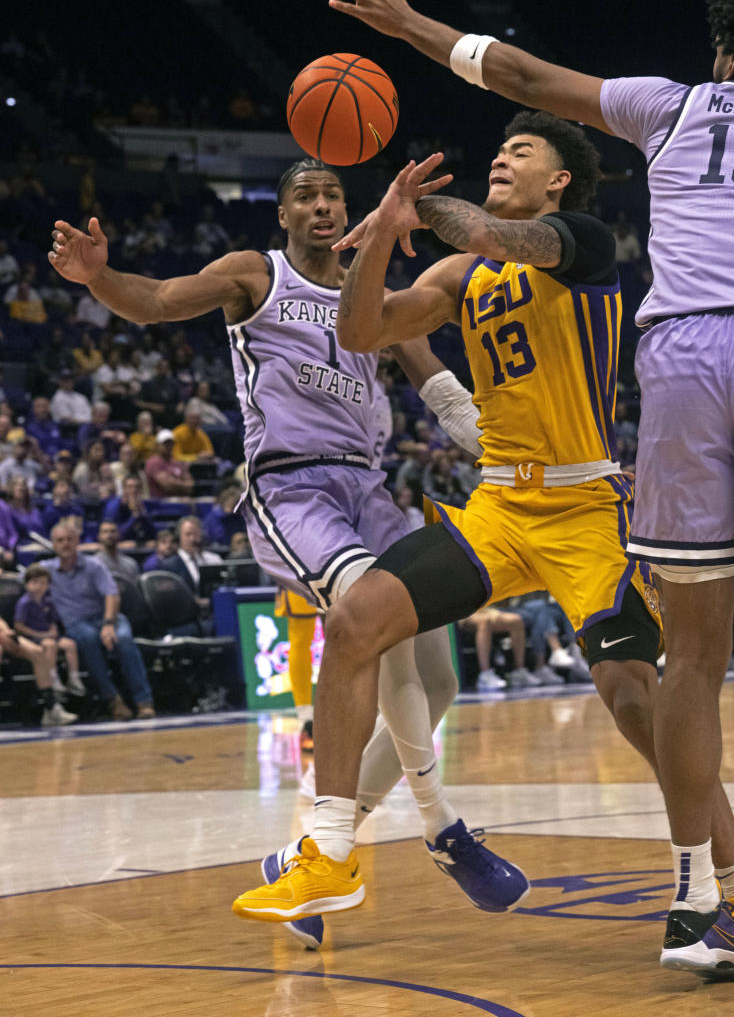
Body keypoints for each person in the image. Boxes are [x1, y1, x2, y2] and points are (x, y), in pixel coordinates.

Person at [316, 0, 734, 1003]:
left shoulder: (673, 106)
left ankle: (712, 896)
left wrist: (409, 24)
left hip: (677, 365)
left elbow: (519, 76)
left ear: (723, 48)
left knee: (690, 659)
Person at [234, 109, 734, 969]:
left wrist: (414, 209)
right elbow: (360, 329)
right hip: (498, 508)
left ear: (558, 180)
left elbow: (491, 229)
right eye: (495, 148)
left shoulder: (581, 241)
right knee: (353, 626)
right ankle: (329, 853)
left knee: (639, 705)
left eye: (518, 152)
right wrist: (380, 232)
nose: (499, 158)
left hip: (584, 510)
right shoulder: (462, 275)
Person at [49, 155, 528, 944]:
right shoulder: (254, 275)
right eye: (305, 196)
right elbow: (161, 301)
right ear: (283, 216)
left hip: (371, 492)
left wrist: (511, 448)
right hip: (294, 489)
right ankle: (443, 828)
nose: (322, 206)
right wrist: (101, 279)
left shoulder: (368, 292)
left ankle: (306, 857)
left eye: (333, 195)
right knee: (383, 618)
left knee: (439, 681)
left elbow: (437, 385)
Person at [42, 519, 155, 720]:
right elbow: (24, 580)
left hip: (106, 617)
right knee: (87, 639)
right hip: (77, 624)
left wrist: (108, 624)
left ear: (78, 541)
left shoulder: (94, 565)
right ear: (53, 545)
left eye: (69, 539)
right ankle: (112, 700)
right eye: (60, 540)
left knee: (125, 641)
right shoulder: (46, 570)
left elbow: (112, 594)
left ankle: (144, 701)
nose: (65, 544)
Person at [6, 563, 84, 725]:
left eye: (43, 583)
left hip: (10, 635)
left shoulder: (48, 601)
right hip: (32, 635)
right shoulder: (24, 602)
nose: (39, 586)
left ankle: (52, 707)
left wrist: (6, 631)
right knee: (46, 645)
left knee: (41, 652)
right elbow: (19, 625)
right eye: (35, 582)